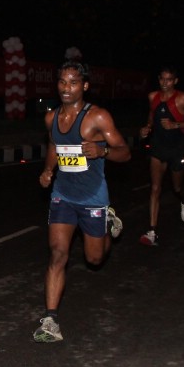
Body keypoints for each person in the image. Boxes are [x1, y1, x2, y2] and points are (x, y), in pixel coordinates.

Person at [34, 60, 130, 343]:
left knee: (95, 259)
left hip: (92, 196)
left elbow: (125, 152)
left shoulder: (98, 118)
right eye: (63, 82)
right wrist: (49, 170)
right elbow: (54, 146)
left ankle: (107, 222)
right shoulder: (51, 118)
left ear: (84, 86)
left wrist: (102, 151)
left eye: (73, 82)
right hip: (63, 194)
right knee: (57, 254)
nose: (67, 87)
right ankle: (51, 320)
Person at [137, 66, 184, 246]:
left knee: (176, 187)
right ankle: (152, 231)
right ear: (159, 79)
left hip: (177, 148)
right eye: (162, 79)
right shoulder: (152, 97)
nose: (165, 83)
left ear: (175, 81)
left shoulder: (183, 98)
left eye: (169, 80)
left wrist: (176, 124)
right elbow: (151, 115)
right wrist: (147, 127)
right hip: (158, 146)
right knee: (155, 188)